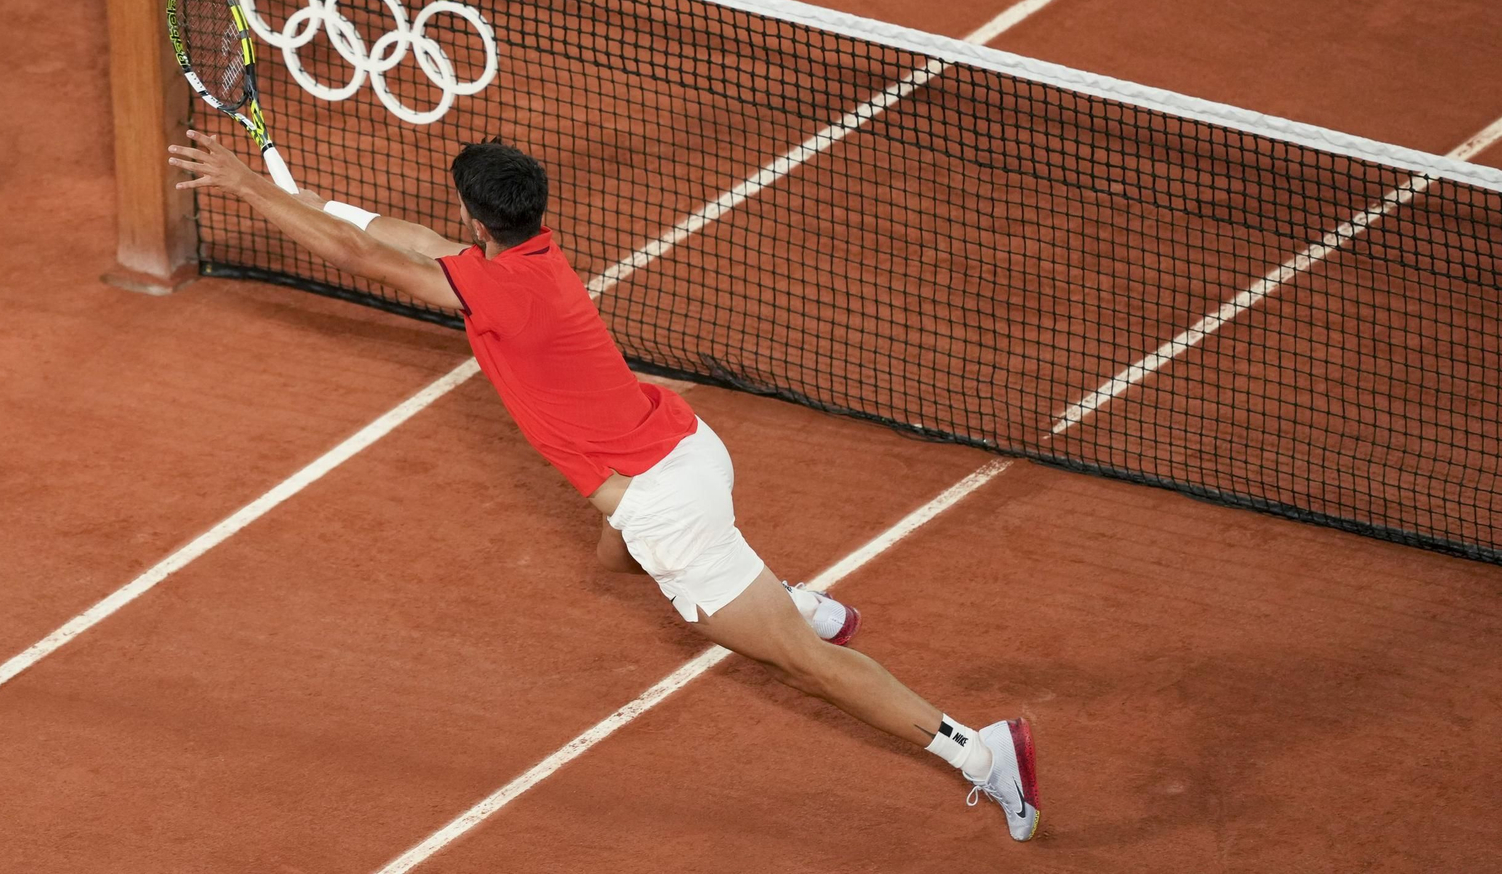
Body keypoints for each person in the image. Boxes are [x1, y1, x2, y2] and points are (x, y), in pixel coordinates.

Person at [169, 129, 1041, 842]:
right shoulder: (531, 261)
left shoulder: (491, 292)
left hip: (666, 500)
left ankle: (980, 750)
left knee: (801, 667)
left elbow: (358, 254)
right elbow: (396, 238)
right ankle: (796, 601)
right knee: (613, 558)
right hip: (688, 445)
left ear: (476, 217)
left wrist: (247, 184)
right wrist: (311, 197)